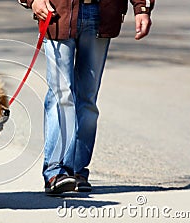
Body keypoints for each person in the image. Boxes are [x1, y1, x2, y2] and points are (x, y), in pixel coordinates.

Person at [18, 0, 155, 194]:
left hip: (101, 13)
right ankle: (55, 172)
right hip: (58, 13)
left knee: (87, 99)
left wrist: (142, 8)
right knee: (61, 94)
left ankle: (77, 171)